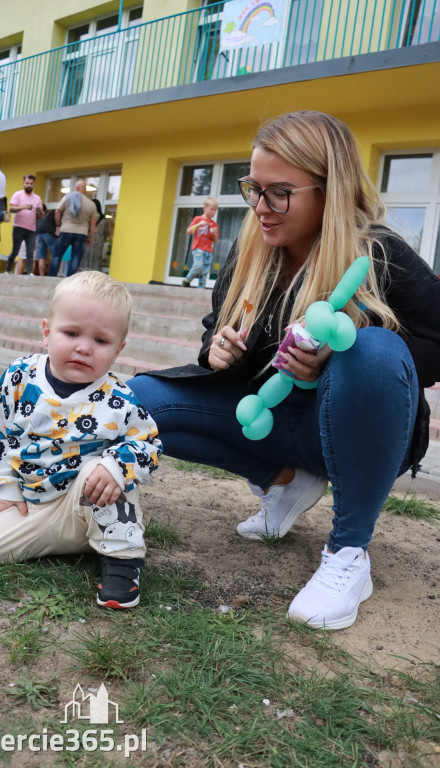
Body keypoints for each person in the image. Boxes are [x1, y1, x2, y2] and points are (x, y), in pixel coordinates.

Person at [129, 111, 440, 631]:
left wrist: (340, 353)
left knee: (373, 350)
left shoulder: (379, 253)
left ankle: (348, 553)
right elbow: (215, 324)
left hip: (342, 431)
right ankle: (282, 483)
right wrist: (216, 349)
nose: (260, 208)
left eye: (280, 193)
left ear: (329, 190)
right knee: (138, 399)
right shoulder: (252, 248)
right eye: (254, 188)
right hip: (272, 423)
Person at [0, 271, 162, 609]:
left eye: (101, 341)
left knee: (105, 469)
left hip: (87, 502)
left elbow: (148, 445)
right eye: (71, 333)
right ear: (46, 332)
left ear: (118, 350)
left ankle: (122, 559)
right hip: (32, 503)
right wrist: (7, 490)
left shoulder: (119, 399)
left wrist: (116, 465)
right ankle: (81, 542)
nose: (84, 347)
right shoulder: (19, 376)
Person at [48, 180, 98, 277]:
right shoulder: (91, 204)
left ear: (77, 188)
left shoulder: (67, 198)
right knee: (75, 258)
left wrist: (58, 226)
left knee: (57, 256)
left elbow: (57, 211)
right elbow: (93, 222)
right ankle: (69, 281)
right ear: (84, 190)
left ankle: (51, 278)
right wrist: (90, 237)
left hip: (66, 230)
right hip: (82, 233)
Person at [5, 174, 43, 275]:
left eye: (31, 184)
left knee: (30, 251)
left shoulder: (37, 198)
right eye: (27, 183)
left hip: (31, 229)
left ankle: (30, 272)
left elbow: (41, 215)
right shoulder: (17, 194)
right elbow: (11, 209)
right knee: (15, 250)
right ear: (23, 183)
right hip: (18, 227)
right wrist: (23, 207)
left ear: (33, 184)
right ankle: (8, 270)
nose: (29, 185)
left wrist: (40, 212)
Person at [182, 197, 219, 288]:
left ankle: (201, 289)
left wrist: (214, 234)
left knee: (205, 271)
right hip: (198, 248)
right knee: (198, 266)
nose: (213, 212)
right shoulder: (198, 219)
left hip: (208, 250)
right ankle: (187, 280)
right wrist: (198, 224)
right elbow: (189, 231)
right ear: (205, 208)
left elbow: (215, 240)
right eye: (211, 209)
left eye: (215, 210)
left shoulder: (214, 224)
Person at [81, 199, 109, 272]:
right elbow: (106, 233)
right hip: (99, 243)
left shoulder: (88, 217)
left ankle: (85, 276)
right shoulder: (104, 220)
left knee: (85, 260)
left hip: (88, 240)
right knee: (96, 261)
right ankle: (96, 277)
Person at [36, 204, 58, 276]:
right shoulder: (55, 212)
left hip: (39, 234)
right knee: (56, 255)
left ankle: (42, 276)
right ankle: (52, 275)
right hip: (49, 234)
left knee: (41, 256)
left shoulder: (39, 216)